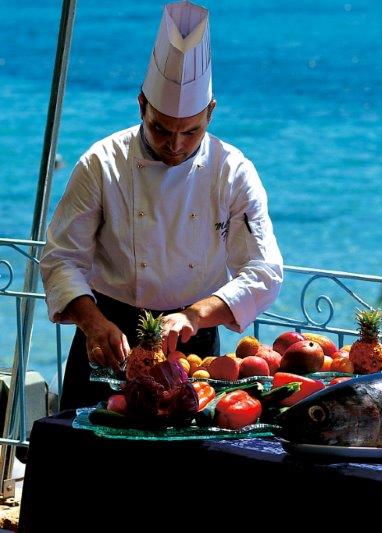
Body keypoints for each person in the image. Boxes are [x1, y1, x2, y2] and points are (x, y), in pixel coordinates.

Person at [40, 1, 283, 410]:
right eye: (160, 128)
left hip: (193, 344)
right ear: (141, 106)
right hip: (107, 337)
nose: (174, 144)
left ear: (210, 113)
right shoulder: (101, 163)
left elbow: (264, 270)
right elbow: (61, 257)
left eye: (190, 131)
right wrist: (92, 322)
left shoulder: (233, 171)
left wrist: (195, 315)